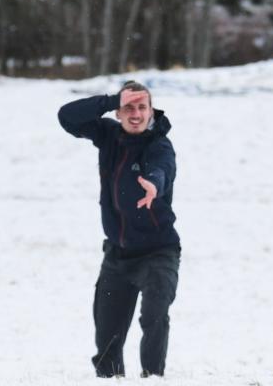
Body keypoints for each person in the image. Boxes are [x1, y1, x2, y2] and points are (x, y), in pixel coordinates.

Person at [58, 81, 180, 378]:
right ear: (117, 112)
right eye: (128, 107)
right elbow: (67, 117)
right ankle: (110, 381)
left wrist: (153, 183)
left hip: (158, 251)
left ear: (151, 111)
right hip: (118, 254)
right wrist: (110, 100)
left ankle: (152, 378)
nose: (135, 114)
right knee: (107, 336)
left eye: (142, 107)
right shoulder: (108, 135)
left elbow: (162, 167)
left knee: (154, 315)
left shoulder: (160, 144)